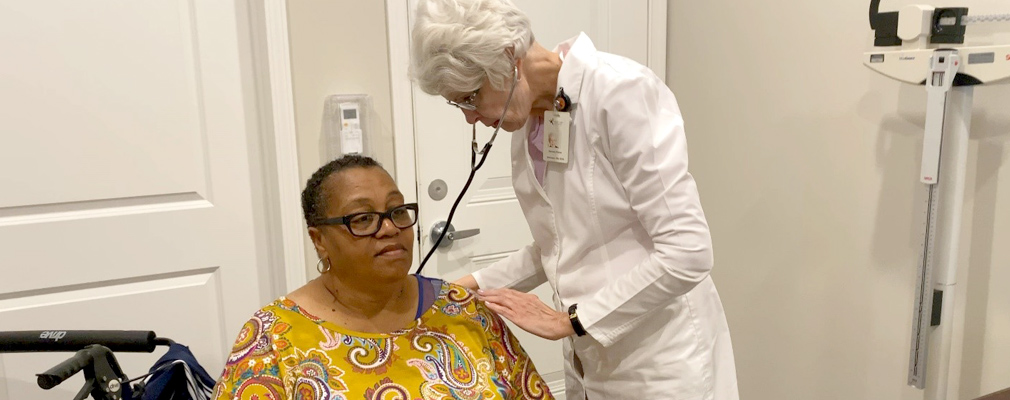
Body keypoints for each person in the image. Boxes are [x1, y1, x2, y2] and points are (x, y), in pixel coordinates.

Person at [409, 0, 739, 398]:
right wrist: (461, 288)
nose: (469, 117)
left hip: (660, 362)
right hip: (590, 361)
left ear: (507, 58)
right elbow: (557, 246)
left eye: (470, 97)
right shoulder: (530, 120)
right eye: (457, 102)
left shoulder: (620, 93)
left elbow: (688, 252)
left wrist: (571, 321)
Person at [212, 155, 553, 400]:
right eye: (362, 219)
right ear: (320, 241)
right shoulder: (273, 338)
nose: (390, 228)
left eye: (397, 211)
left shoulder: (464, 311)